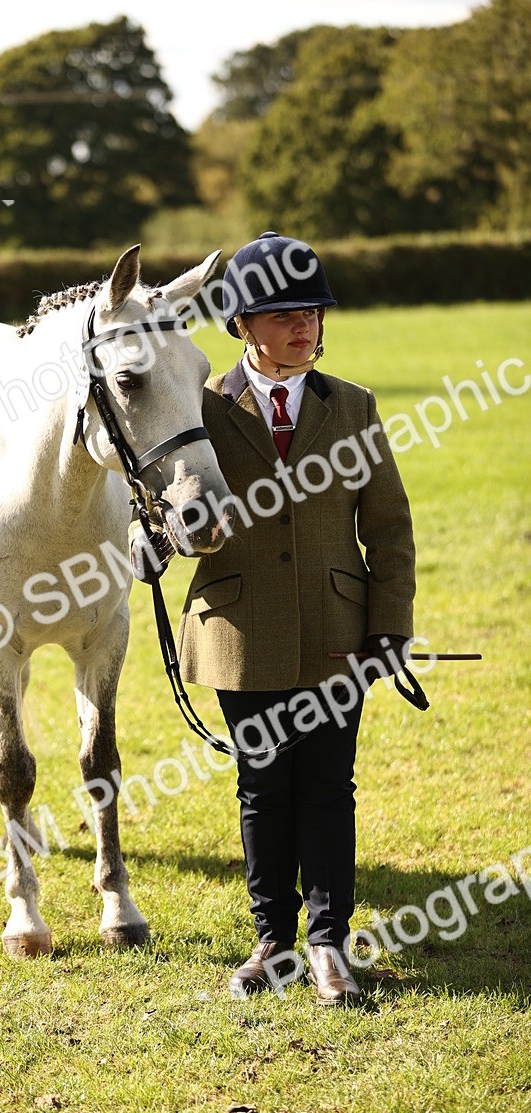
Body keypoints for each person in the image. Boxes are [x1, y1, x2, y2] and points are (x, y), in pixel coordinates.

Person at [129, 232, 416, 1006]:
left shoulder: (352, 406)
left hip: (337, 631)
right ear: (241, 326)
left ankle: (327, 944)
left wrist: (389, 627)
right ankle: (271, 941)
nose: (305, 327)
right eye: (284, 313)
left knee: (327, 784)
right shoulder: (202, 407)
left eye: (313, 312)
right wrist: (148, 540)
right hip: (238, 631)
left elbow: (387, 527)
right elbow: (160, 499)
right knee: (261, 787)